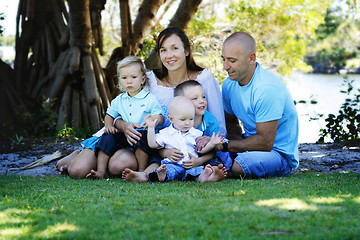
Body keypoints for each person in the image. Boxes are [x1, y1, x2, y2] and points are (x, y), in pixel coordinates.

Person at [56, 27, 226, 180]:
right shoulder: (150, 79)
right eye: (163, 50)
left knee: (117, 167)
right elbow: (121, 111)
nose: (169, 55)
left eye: (175, 48)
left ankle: (98, 164)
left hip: (151, 145)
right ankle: (76, 155)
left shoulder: (203, 79)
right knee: (78, 171)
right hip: (125, 135)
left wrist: (208, 141)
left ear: (187, 50)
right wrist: (124, 126)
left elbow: (217, 123)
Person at [217, 31, 299, 179]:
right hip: (249, 146)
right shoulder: (229, 85)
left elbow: (265, 142)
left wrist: (226, 146)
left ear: (251, 58)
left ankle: (228, 168)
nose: (225, 66)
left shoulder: (266, 88)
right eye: (223, 59)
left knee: (240, 166)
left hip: (277, 153)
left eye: (232, 61)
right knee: (209, 154)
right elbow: (230, 121)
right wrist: (236, 144)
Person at [85, 56, 164, 179]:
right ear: (119, 80)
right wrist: (109, 126)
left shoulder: (149, 98)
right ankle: (101, 171)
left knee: (141, 137)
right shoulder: (119, 100)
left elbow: (159, 115)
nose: (129, 81)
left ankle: (141, 171)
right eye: (124, 78)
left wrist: (154, 121)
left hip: (141, 133)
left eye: (133, 77)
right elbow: (109, 115)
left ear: (143, 79)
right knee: (107, 137)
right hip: (123, 134)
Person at [146, 96, 225, 182]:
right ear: (171, 119)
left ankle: (202, 177)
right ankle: (163, 175)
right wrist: (151, 128)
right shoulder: (166, 133)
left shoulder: (195, 133)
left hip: (191, 165)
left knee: (196, 171)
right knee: (169, 169)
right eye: (183, 119)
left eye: (191, 119)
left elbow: (202, 150)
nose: (187, 123)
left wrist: (212, 144)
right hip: (173, 164)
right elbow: (152, 144)